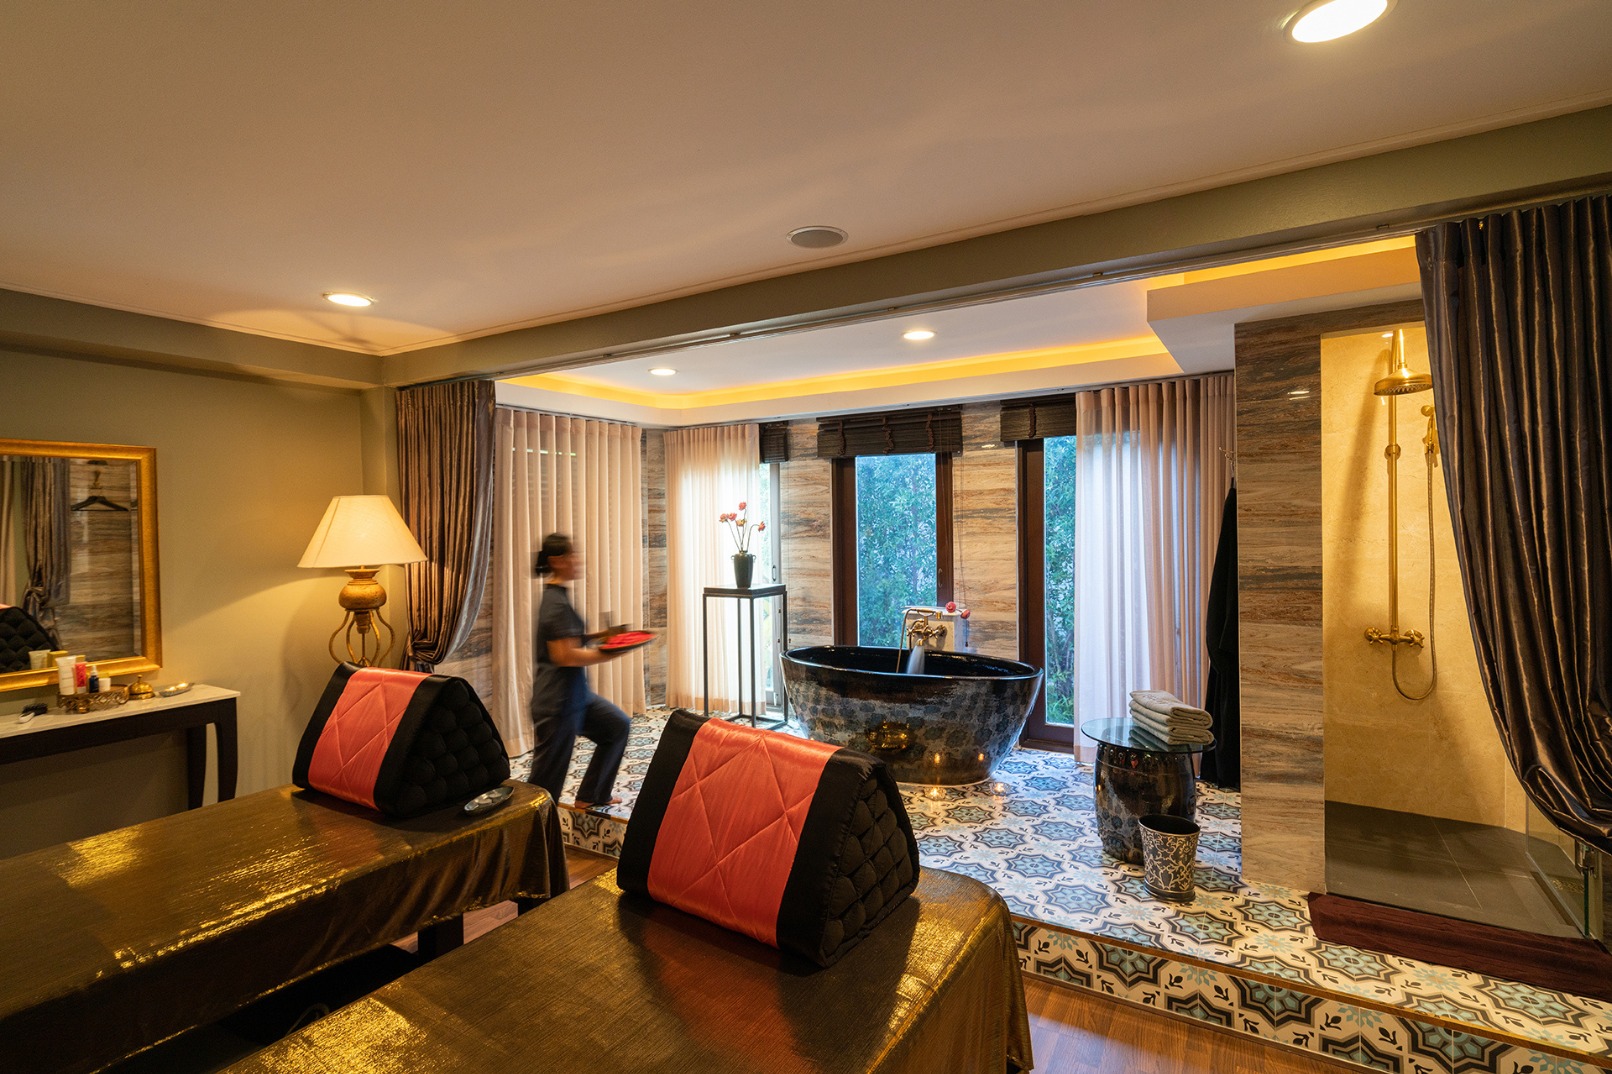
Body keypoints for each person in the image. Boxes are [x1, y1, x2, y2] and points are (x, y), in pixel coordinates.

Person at [528, 532, 632, 809]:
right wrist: (609, 652)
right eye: (572, 555)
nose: (578, 560)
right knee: (545, 785)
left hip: (576, 697)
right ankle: (530, 827)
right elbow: (565, 655)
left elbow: (570, 638)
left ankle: (592, 794)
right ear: (556, 560)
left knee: (617, 726)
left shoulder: (559, 597)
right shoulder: (554, 603)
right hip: (557, 704)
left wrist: (602, 636)